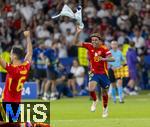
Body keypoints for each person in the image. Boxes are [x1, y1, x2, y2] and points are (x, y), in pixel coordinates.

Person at [73, 27, 115, 118]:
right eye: (92, 40)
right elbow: (75, 43)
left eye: (96, 40)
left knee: (104, 93)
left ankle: (105, 109)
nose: (94, 42)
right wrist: (78, 33)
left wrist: (103, 59)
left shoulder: (104, 48)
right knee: (91, 89)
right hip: (94, 72)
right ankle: (95, 101)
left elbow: (112, 58)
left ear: (100, 41)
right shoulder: (89, 46)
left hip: (104, 73)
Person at [0, 31, 32, 123]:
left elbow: (1, 61)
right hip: (16, 102)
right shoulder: (25, 67)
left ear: (14, 56)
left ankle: (27, 124)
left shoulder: (13, 69)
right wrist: (28, 37)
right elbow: (29, 53)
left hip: (7, 102)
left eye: (10, 53)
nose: (9, 55)